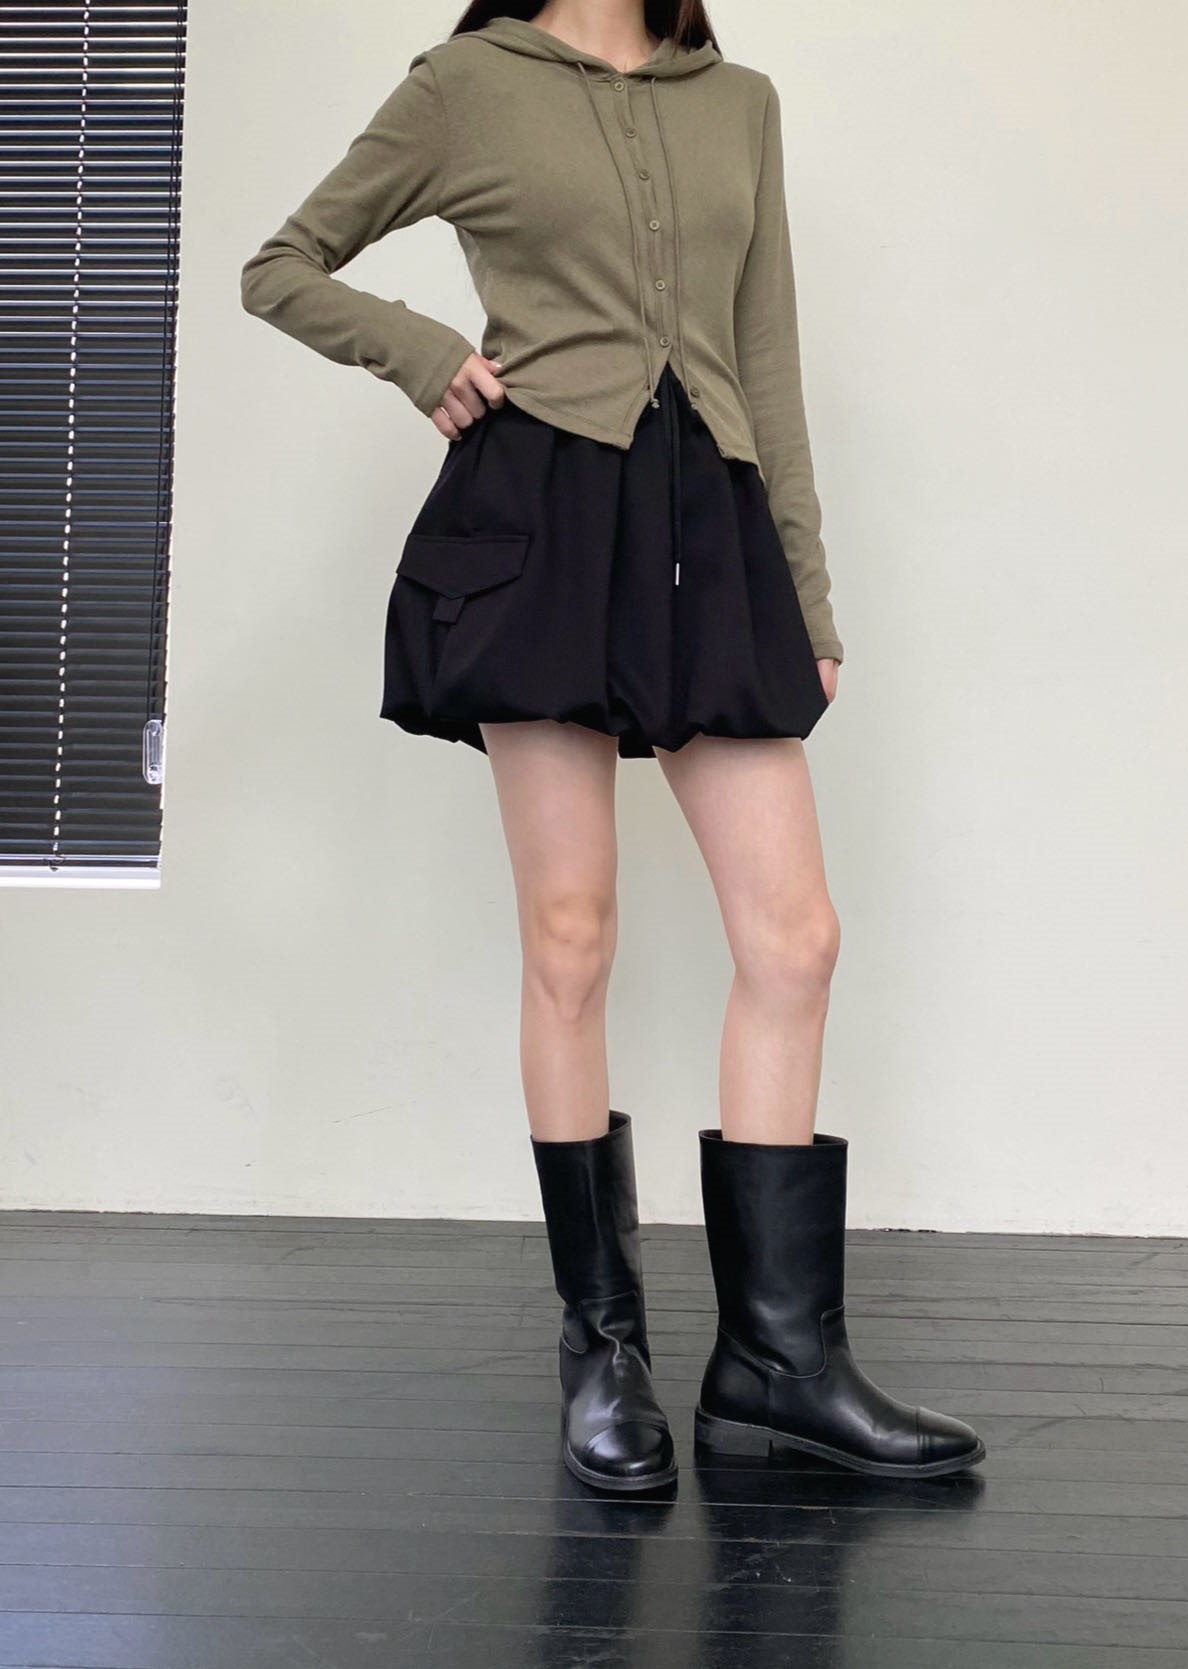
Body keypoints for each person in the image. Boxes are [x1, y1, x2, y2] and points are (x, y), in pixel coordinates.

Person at [240, 0, 986, 1491]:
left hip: (711, 528)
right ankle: (603, 1350)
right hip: (542, 522)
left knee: (795, 938)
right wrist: (422, 352)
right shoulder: (465, 85)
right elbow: (282, 267)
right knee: (572, 938)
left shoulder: (741, 102)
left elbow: (766, 367)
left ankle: (777, 1363)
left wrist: (806, 595)